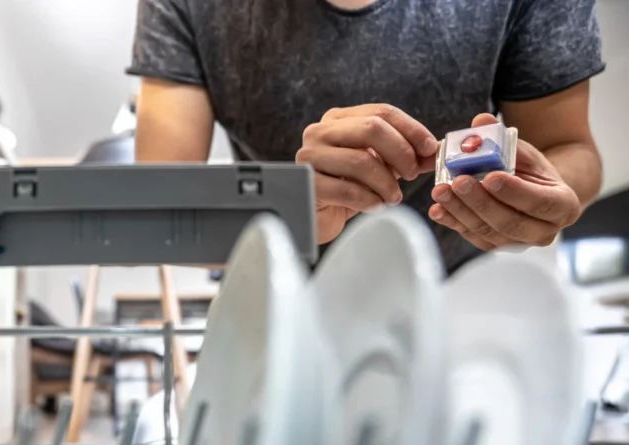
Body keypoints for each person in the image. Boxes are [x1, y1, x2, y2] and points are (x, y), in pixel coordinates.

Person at [128, 0, 605, 274]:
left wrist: (530, 200)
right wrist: (293, 214)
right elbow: (160, 214)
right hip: (285, 305)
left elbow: (571, 151)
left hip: (469, 303)